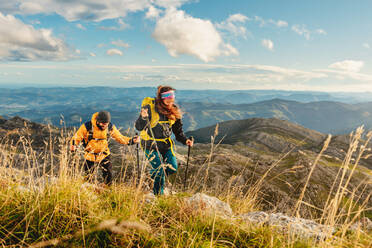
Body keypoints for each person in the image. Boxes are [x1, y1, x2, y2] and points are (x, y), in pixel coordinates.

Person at [135, 85, 193, 195]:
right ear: (161, 98)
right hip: (149, 144)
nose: (169, 101)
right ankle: (158, 195)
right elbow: (139, 127)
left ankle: (153, 174)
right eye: (167, 98)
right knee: (160, 170)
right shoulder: (151, 109)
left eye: (171, 98)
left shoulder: (173, 110)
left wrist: (185, 140)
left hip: (165, 144)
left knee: (173, 168)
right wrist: (142, 117)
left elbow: (178, 132)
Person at [70, 111, 139, 185]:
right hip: (90, 155)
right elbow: (77, 137)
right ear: (98, 121)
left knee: (108, 175)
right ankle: (88, 190)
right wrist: (73, 145)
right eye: (103, 124)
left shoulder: (109, 127)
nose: (105, 125)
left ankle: (108, 189)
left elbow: (120, 137)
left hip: (104, 154)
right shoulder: (88, 126)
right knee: (88, 176)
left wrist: (132, 141)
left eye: (106, 124)